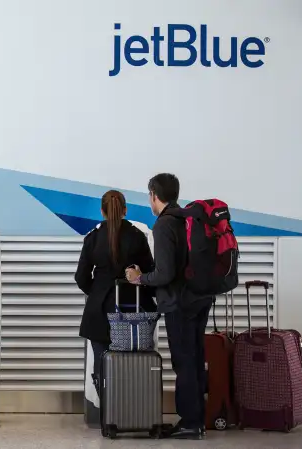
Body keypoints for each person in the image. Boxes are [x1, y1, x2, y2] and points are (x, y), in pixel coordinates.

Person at [126, 173, 213, 440]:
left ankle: (189, 422)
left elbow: (164, 273)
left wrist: (139, 278)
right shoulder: (189, 219)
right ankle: (197, 419)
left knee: (184, 361)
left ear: (154, 194)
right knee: (195, 358)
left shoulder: (164, 224)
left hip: (178, 303)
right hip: (200, 298)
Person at [75, 190, 156, 397]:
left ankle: (109, 415)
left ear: (102, 211)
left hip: (99, 310)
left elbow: (81, 277)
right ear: (125, 210)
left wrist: (96, 293)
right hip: (133, 309)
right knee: (134, 362)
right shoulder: (137, 236)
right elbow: (149, 271)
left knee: (102, 364)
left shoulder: (92, 238)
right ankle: (134, 411)